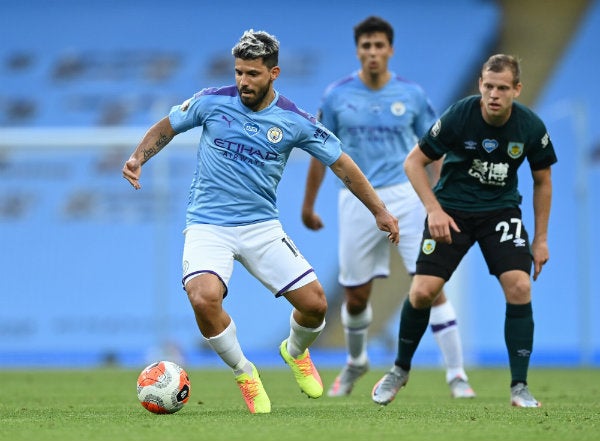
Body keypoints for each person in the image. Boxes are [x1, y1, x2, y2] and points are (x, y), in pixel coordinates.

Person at [122, 29, 399, 415]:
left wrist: (380, 211)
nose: (243, 81)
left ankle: (296, 351)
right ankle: (244, 372)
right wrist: (138, 158)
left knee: (316, 305)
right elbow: (167, 126)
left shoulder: (294, 120)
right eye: (238, 72)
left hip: (261, 227)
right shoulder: (211, 102)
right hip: (207, 224)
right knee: (203, 297)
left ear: (274, 73)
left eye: (252, 74)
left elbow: (341, 163)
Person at [302, 15, 475, 398]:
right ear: (358, 50)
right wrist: (309, 204)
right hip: (356, 199)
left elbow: (435, 149)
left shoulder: (411, 95)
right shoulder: (336, 96)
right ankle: (355, 362)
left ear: (390, 50)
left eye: (380, 46)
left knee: (431, 284)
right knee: (356, 295)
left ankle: (457, 374)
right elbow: (319, 152)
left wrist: (441, 198)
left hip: (406, 197)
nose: (373, 52)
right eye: (367, 46)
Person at [371, 54, 557, 408]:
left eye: (503, 88)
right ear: (480, 85)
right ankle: (399, 370)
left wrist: (541, 238)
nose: (494, 95)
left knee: (519, 285)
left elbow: (542, 180)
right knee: (423, 291)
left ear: (517, 89)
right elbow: (414, 162)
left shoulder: (530, 127)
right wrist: (434, 210)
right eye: (488, 86)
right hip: (451, 211)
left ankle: (520, 386)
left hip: (500, 212)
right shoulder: (461, 114)